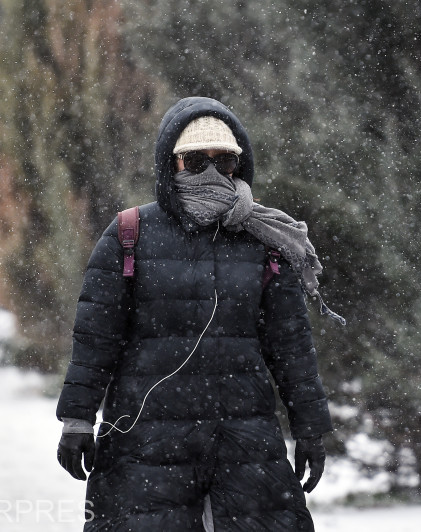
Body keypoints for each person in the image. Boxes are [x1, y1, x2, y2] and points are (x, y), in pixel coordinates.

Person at [56, 97, 339, 531]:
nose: (210, 172)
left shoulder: (264, 238)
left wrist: (310, 428)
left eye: (224, 161)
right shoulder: (130, 234)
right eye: (193, 160)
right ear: (170, 163)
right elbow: (95, 339)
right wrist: (77, 419)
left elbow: (291, 344)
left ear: (239, 164)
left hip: (244, 442)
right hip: (146, 442)